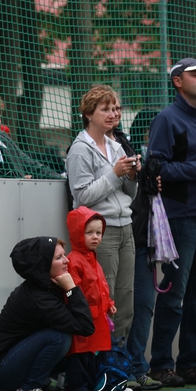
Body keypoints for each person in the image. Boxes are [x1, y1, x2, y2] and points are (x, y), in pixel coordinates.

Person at [146, 58, 196, 388]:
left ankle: (190, 363)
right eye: (195, 74)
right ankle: (160, 364)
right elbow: (156, 167)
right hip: (180, 217)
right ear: (177, 81)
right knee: (174, 294)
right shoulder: (167, 118)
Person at [0, 237, 95, 391]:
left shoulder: (45, 286)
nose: (66, 260)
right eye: (59, 257)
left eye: (64, 255)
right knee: (60, 337)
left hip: (9, 363)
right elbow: (85, 326)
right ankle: (28, 389)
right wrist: (71, 289)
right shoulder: (38, 298)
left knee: (76, 347)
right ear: (43, 264)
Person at [66, 85, 140, 342]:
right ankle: (103, 357)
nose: (113, 114)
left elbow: (129, 195)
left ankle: (119, 356)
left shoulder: (116, 146)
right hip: (101, 230)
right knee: (104, 297)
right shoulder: (80, 149)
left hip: (125, 226)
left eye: (115, 109)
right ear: (88, 114)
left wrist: (132, 176)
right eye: (105, 109)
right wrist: (115, 174)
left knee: (126, 298)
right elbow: (82, 197)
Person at [124, 108, 165, 391]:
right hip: (123, 235)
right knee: (122, 307)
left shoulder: (154, 155)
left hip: (144, 239)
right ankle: (118, 368)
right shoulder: (125, 149)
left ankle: (138, 366)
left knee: (145, 305)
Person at [65, 207, 115, 391]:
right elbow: (76, 292)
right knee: (79, 356)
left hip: (95, 318)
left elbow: (101, 286)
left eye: (98, 233)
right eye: (89, 232)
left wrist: (109, 304)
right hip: (83, 319)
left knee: (92, 355)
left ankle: (91, 388)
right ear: (78, 233)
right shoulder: (74, 261)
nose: (95, 237)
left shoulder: (92, 259)